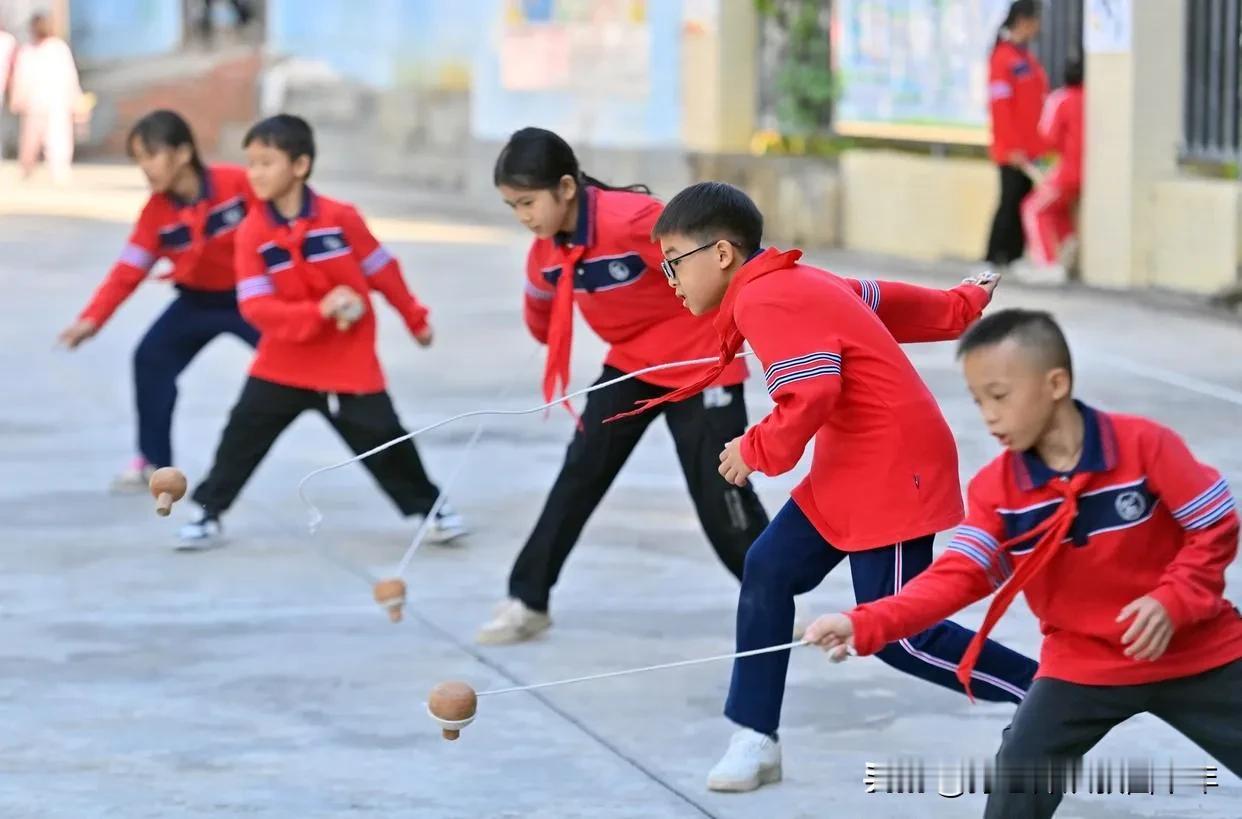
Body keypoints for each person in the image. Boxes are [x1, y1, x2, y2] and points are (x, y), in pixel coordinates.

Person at [617, 181, 1037, 793]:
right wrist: (960, 302)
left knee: (903, 634)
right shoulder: (793, 280)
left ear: (723, 254)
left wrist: (753, 448)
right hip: (850, 466)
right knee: (767, 569)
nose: (670, 279)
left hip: (894, 468)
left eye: (675, 262)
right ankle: (755, 737)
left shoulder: (768, 300)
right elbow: (883, 301)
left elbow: (812, 392)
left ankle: (1049, 697)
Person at [805, 309, 1242, 818]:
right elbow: (957, 576)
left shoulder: (1145, 445)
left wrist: (1174, 599)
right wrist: (864, 623)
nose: (988, 415)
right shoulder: (998, 490)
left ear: (1055, 383)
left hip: (1198, 651)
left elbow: (1214, 523)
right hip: (1082, 663)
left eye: (999, 395)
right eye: (978, 401)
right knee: (1018, 775)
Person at [478, 127, 771, 645]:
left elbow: (724, 249)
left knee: (720, 492)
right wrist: (546, 293)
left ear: (566, 188)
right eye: (512, 206)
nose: (523, 216)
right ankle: (528, 599)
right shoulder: (545, 252)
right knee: (579, 473)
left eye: (528, 202)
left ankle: (775, 595)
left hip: (704, 360)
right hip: (632, 367)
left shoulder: (634, 221)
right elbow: (541, 324)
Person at [178, 114, 465, 549]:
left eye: (266, 162)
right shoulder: (252, 233)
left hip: (349, 362)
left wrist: (415, 318)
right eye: (251, 163)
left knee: (385, 437)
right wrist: (319, 312)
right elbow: (255, 307)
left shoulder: (340, 219)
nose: (254, 173)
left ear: (300, 165)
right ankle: (208, 513)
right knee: (242, 434)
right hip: (284, 361)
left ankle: (432, 508)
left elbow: (383, 270)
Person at [58, 110, 260, 491]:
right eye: (138, 160)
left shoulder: (236, 185)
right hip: (197, 303)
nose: (145, 168)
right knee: (151, 360)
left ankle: (372, 438)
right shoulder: (156, 214)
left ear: (182, 153)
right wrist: (91, 320)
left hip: (251, 301)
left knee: (307, 369)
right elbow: (127, 272)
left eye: (151, 155)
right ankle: (154, 461)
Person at [984, 0, 1046, 271]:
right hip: (1011, 150)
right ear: (1023, 21)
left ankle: (1013, 256)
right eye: (1036, 19)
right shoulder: (1003, 59)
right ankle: (993, 255)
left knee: (1021, 200)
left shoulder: (1025, 59)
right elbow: (1000, 108)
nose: (1039, 26)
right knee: (1009, 201)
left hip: (1030, 149)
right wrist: (1012, 147)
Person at [1020, 57, 1084, 283]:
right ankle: (1068, 246)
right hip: (1089, 172)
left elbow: (1048, 138)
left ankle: (1047, 263)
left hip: (1066, 170)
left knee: (1033, 209)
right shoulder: (1093, 99)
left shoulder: (1061, 99)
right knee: (1056, 208)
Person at [9, 13, 83, 184]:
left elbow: (69, 77)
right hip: (35, 102)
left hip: (55, 101)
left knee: (57, 137)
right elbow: (21, 78)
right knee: (31, 138)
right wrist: (17, 98)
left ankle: (59, 169)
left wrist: (75, 100)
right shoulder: (28, 50)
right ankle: (27, 167)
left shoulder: (58, 48)